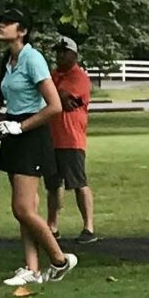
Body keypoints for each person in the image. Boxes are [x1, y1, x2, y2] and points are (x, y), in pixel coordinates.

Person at [0, 8, 77, 286]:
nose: (0, 26)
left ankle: (60, 260)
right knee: (25, 208)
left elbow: (54, 106)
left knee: (22, 209)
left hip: (32, 135)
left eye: (7, 23)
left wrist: (21, 126)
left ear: (23, 30)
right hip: (16, 132)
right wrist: (6, 121)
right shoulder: (10, 60)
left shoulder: (33, 58)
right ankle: (31, 269)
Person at [45, 37, 98, 244]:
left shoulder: (79, 76)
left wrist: (53, 93)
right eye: (58, 51)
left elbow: (64, 98)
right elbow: (54, 97)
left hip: (71, 138)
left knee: (78, 183)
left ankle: (88, 226)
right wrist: (56, 95)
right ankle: (52, 225)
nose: (59, 55)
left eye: (63, 51)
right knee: (52, 185)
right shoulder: (53, 75)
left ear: (74, 55)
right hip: (52, 138)